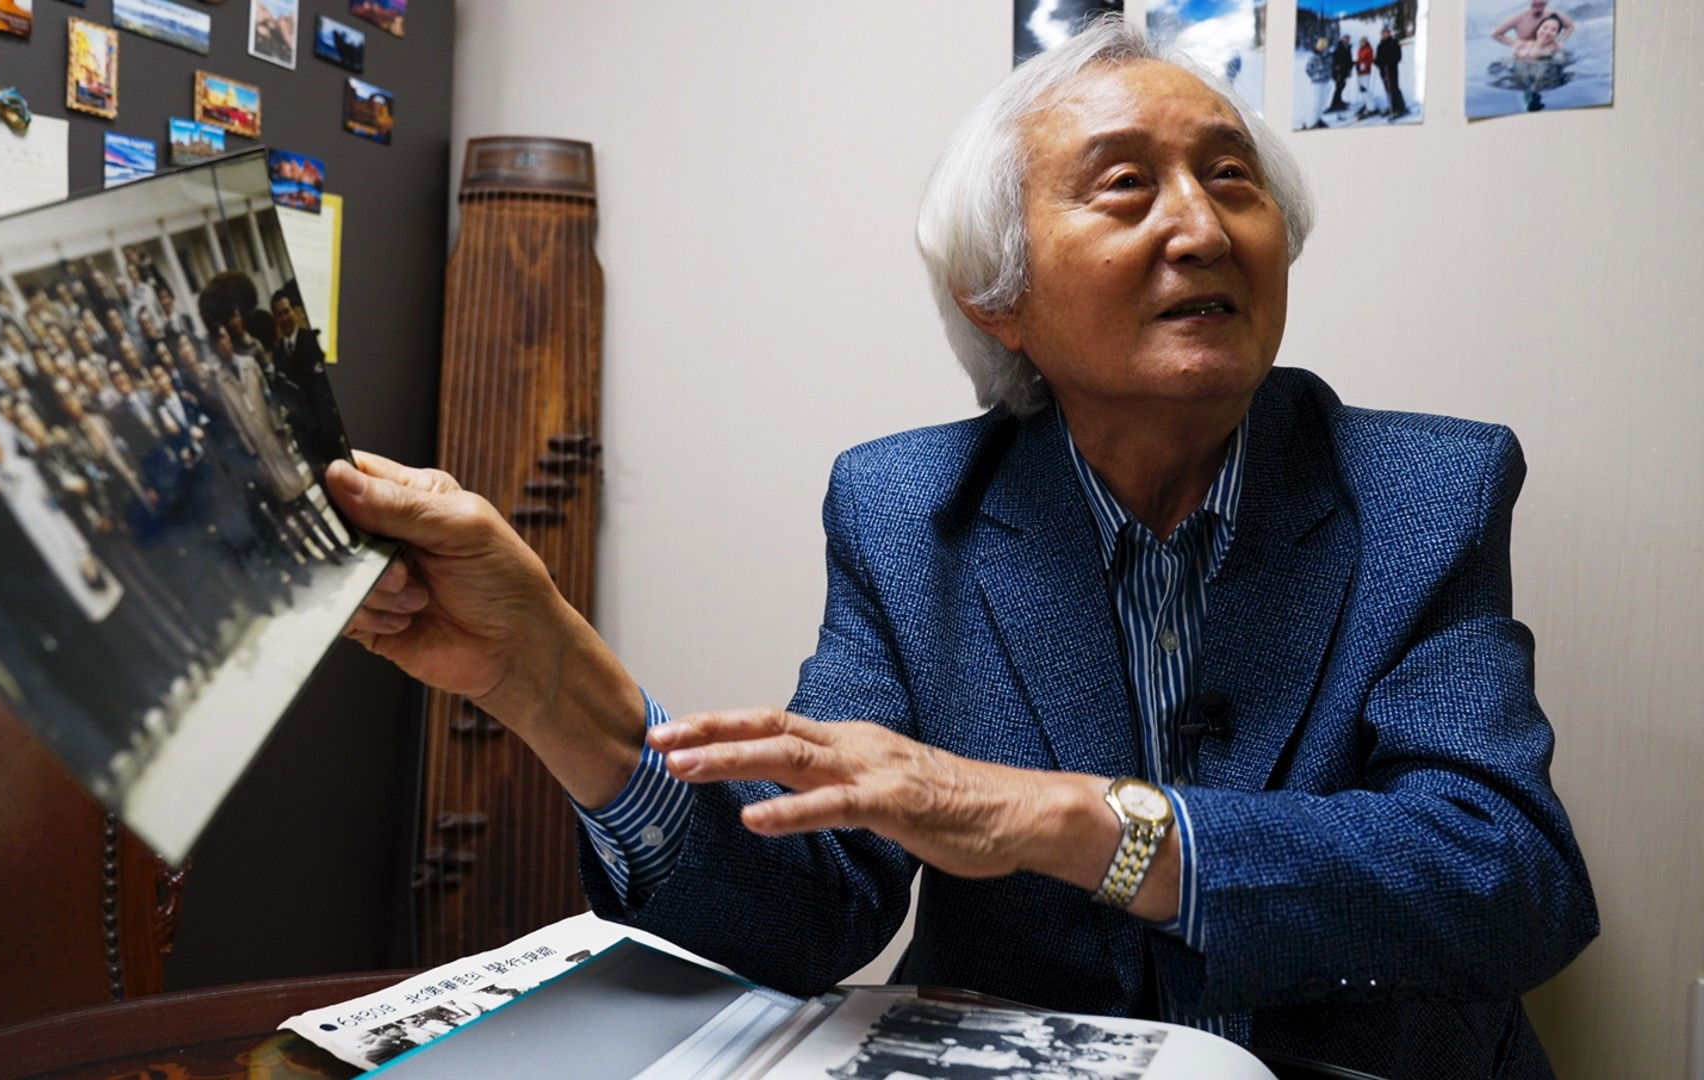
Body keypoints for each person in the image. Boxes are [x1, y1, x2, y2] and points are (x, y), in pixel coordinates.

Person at [326, 21, 1595, 1079]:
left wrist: (1079, 822)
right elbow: (809, 909)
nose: (1203, 228)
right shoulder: (905, 508)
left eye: (1232, 179)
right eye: (1125, 186)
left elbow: (1509, 877)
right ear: (1001, 299)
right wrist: (552, 684)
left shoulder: (1425, 490)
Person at [1375, 26, 1409, 118]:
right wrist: (1377, 62)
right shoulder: (1380, 45)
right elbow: (1378, 58)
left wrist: (1390, 62)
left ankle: (1400, 108)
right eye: (1383, 33)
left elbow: (1398, 56)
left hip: (1392, 70)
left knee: (1394, 89)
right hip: (1383, 71)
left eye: (1386, 33)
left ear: (1389, 33)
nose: (1384, 34)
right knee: (1387, 90)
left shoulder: (1394, 43)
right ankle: (1392, 106)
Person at [1327, 33, 1353, 113]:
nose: (1346, 40)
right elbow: (1332, 57)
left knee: (1342, 86)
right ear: (1342, 39)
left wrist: (1351, 66)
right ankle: (1334, 104)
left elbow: (1348, 60)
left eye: (1347, 39)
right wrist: (1335, 66)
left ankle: (1339, 101)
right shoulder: (1338, 47)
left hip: (1344, 71)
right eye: (1345, 39)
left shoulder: (1348, 48)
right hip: (1338, 72)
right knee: (1339, 86)